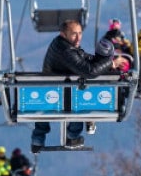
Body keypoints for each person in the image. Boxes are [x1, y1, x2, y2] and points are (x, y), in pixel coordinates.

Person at [30, 20, 116, 153]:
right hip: (62, 98)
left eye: (80, 33)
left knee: (60, 95)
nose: (78, 38)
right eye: (74, 34)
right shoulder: (65, 50)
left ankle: (38, 138)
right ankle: (73, 135)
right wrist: (109, 64)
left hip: (51, 95)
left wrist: (103, 62)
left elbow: (83, 59)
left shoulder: (63, 45)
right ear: (63, 34)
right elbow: (89, 71)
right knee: (80, 97)